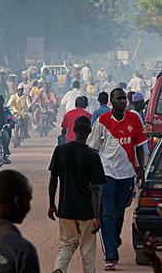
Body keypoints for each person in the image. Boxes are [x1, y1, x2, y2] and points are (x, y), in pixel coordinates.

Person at [87, 88, 146, 270]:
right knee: (107, 213)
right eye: (118, 99)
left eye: (123, 99)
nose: (122, 101)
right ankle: (111, 256)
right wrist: (92, 173)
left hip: (127, 173)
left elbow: (139, 145)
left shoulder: (134, 119)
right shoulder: (102, 121)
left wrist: (140, 169)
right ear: (111, 101)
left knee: (119, 211)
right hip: (107, 173)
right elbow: (93, 148)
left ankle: (114, 236)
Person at [49, 116, 106, 273]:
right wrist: (97, 216)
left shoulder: (60, 150)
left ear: (73, 130)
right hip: (86, 209)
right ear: (89, 132)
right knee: (87, 248)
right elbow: (96, 189)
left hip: (65, 207)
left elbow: (53, 178)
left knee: (67, 243)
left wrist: (52, 204)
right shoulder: (92, 156)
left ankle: (59, 268)